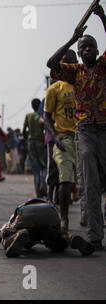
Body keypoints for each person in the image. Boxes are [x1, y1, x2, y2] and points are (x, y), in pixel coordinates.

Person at [47, 3, 106, 250]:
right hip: (85, 132)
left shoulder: (103, 66)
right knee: (89, 182)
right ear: (80, 53)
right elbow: (51, 63)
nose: (88, 49)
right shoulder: (75, 72)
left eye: (91, 46)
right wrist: (72, 38)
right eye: (84, 47)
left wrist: (103, 18)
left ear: (97, 50)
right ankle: (94, 234)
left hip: (105, 128)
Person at [0, 199, 94, 258]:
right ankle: (69, 237)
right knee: (57, 239)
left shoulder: (15, 216)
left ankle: (16, 237)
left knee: (5, 236)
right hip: (50, 213)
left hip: (27, 215)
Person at [43, 50, 78, 232]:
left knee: (89, 181)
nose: (67, 67)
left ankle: (90, 215)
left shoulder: (83, 84)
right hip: (64, 138)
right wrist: (55, 136)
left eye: (70, 63)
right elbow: (47, 116)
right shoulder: (54, 89)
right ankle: (64, 219)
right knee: (64, 179)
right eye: (64, 63)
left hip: (85, 136)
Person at [23, 98, 47, 198]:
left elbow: (24, 129)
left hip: (30, 142)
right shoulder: (40, 116)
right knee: (45, 166)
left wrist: (26, 140)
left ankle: (38, 193)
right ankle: (43, 183)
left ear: (32, 106)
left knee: (35, 168)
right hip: (40, 142)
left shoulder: (28, 116)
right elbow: (46, 128)